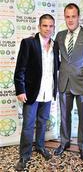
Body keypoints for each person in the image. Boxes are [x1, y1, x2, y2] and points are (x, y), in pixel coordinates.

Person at [54, 3, 83, 160]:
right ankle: (64, 142)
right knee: (64, 117)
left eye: (73, 16)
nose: (70, 19)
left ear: (78, 17)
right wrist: (36, 40)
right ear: (64, 17)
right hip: (64, 83)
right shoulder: (59, 36)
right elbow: (51, 53)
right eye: (67, 16)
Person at [14, 14, 59, 171]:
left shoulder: (56, 45)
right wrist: (20, 90)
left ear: (54, 27)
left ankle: (40, 146)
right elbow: (20, 69)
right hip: (31, 93)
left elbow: (56, 68)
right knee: (28, 125)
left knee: (42, 122)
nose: (48, 29)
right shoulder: (28, 43)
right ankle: (24, 155)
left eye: (51, 26)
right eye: (45, 25)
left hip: (47, 92)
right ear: (39, 27)